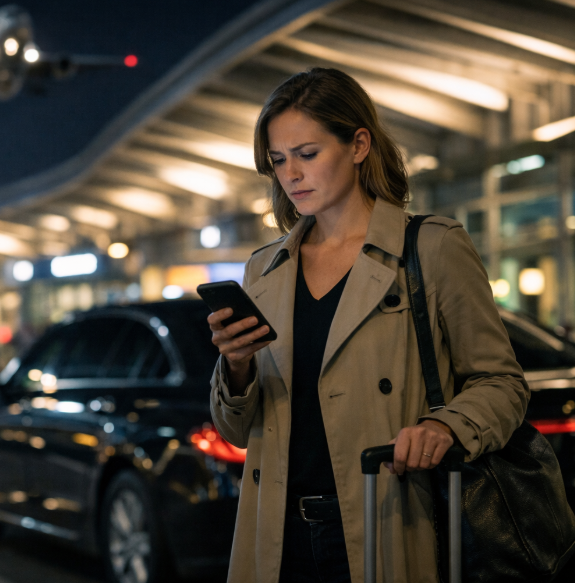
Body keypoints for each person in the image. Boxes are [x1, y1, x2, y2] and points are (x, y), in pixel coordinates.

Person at [207, 68, 529, 583]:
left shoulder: (429, 247)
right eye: (278, 160)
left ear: (359, 144)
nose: (291, 174)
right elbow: (235, 431)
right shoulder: (264, 268)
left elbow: (502, 382)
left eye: (308, 154)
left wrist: (445, 426)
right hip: (276, 533)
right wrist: (237, 365)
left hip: (386, 521)